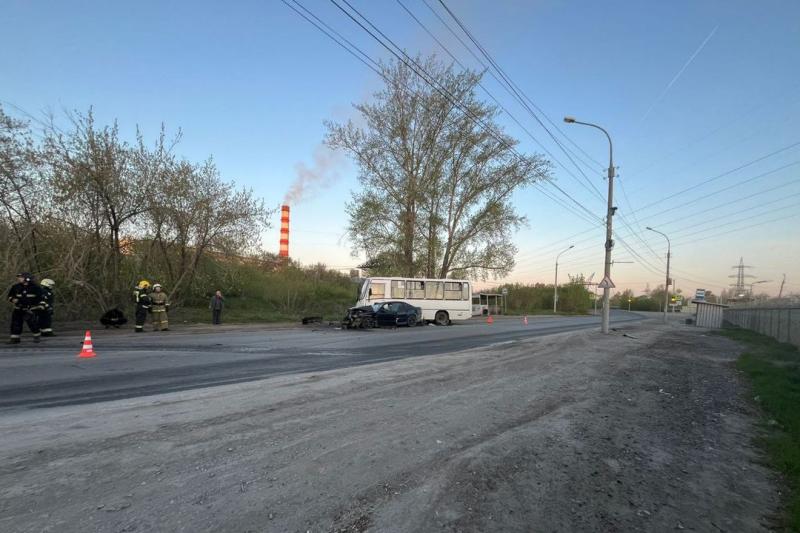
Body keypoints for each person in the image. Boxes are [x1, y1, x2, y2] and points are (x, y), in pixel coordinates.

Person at [7, 272, 45, 344]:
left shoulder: (36, 288)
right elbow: (10, 296)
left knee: (32, 323)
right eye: (19, 277)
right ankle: (15, 338)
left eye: (21, 277)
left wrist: (38, 308)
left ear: (27, 278)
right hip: (18, 309)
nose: (19, 279)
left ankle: (36, 336)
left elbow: (41, 298)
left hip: (30, 309)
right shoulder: (15, 287)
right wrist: (13, 299)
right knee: (15, 324)